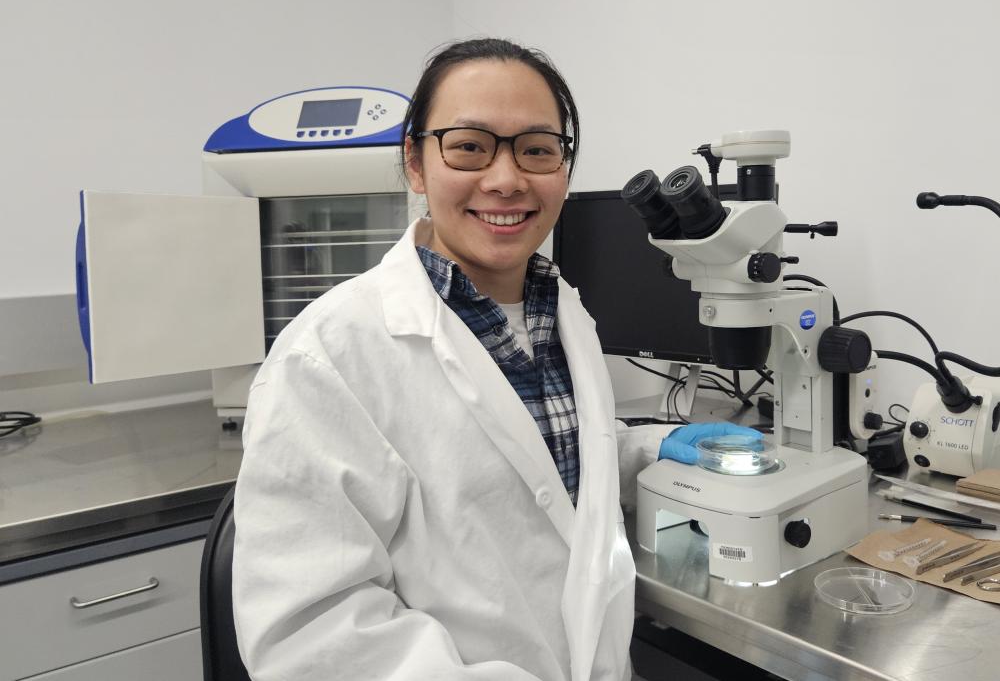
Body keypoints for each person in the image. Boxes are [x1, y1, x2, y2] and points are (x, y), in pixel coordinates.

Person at [232, 37, 756, 681]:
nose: (506, 179)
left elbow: (529, 476)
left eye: (537, 150)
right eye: (469, 146)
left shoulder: (560, 309)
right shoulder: (329, 356)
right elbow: (312, 639)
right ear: (416, 165)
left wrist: (641, 451)